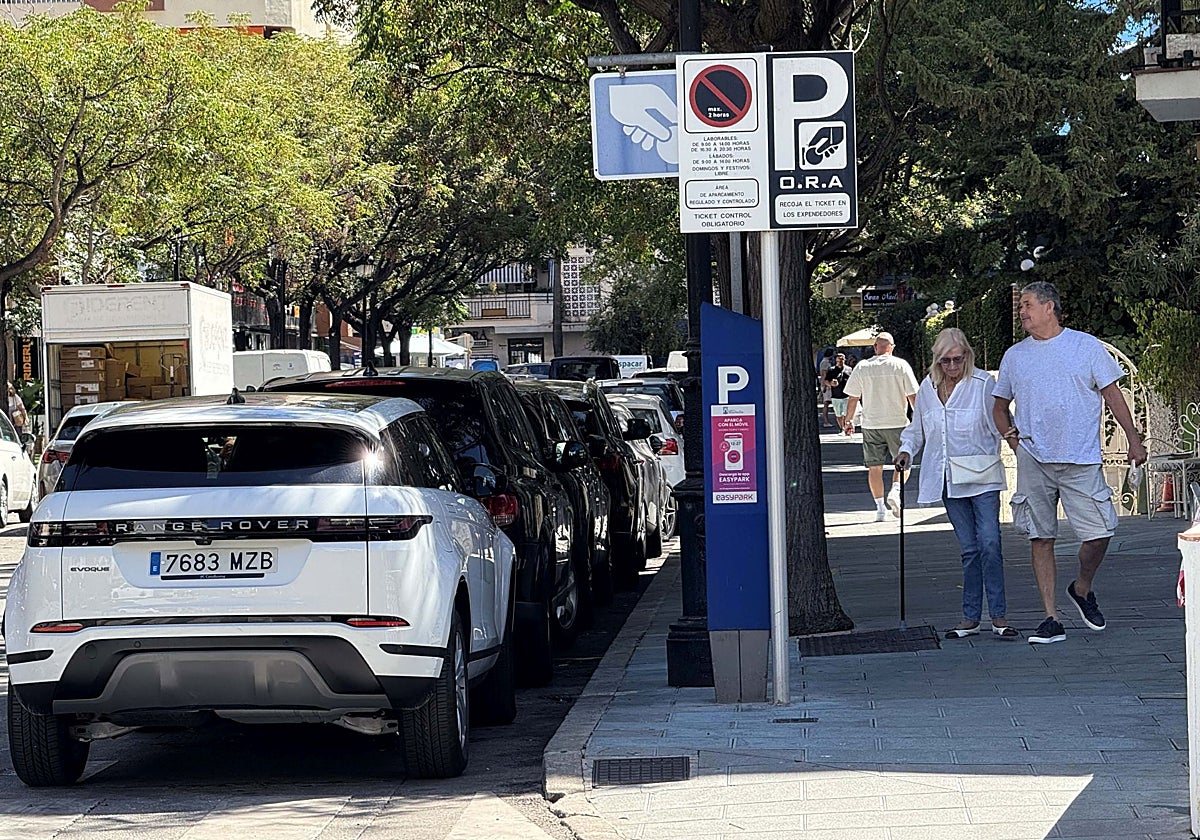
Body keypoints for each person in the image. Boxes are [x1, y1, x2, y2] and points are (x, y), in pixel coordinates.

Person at [992, 281, 1147, 645]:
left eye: (1028, 305)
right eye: (1021, 307)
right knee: (1040, 535)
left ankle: (1081, 587)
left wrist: (1134, 439)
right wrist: (1012, 439)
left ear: (1050, 307)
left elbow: (1113, 393)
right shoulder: (1015, 355)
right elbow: (999, 406)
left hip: (1080, 456)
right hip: (1034, 457)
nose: (1022, 312)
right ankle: (1050, 617)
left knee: (1099, 533)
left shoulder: (1085, 347)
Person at [895, 329, 1016, 639]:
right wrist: (906, 451)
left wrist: (1019, 447)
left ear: (967, 356)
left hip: (981, 475)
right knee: (970, 549)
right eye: (945, 360)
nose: (951, 366)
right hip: (947, 477)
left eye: (957, 359)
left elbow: (999, 423)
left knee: (990, 542)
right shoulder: (927, 387)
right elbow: (917, 429)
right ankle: (971, 617)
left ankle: (999, 616)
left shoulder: (983, 384)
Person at [843, 332, 920, 521]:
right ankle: (895, 489)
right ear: (892, 347)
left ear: (875, 348)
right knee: (904, 461)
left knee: (874, 468)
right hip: (898, 423)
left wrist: (848, 421)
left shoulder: (862, 367)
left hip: (871, 425)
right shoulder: (901, 365)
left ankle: (879, 509)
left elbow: (853, 397)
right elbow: (913, 396)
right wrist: (920, 420)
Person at [824, 352, 851, 431]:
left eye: (842, 360)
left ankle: (845, 428)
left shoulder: (849, 369)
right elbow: (826, 381)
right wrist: (830, 384)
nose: (840, 362)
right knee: (838, 414)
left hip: (846, 395)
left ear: (844, 360)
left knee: (846, 414)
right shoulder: (832, 370)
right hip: (836, 395)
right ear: (836, 361)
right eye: (838, 361)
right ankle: (841, 428)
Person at [817, 348, 835, 427]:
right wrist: (824, 385)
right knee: (826, 403)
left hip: (827, 384)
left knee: (827, 403)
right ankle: (825, 421)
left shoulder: (826, 362)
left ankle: (826, 421)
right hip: (826, 384)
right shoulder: (825, 363)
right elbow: (824, 374)